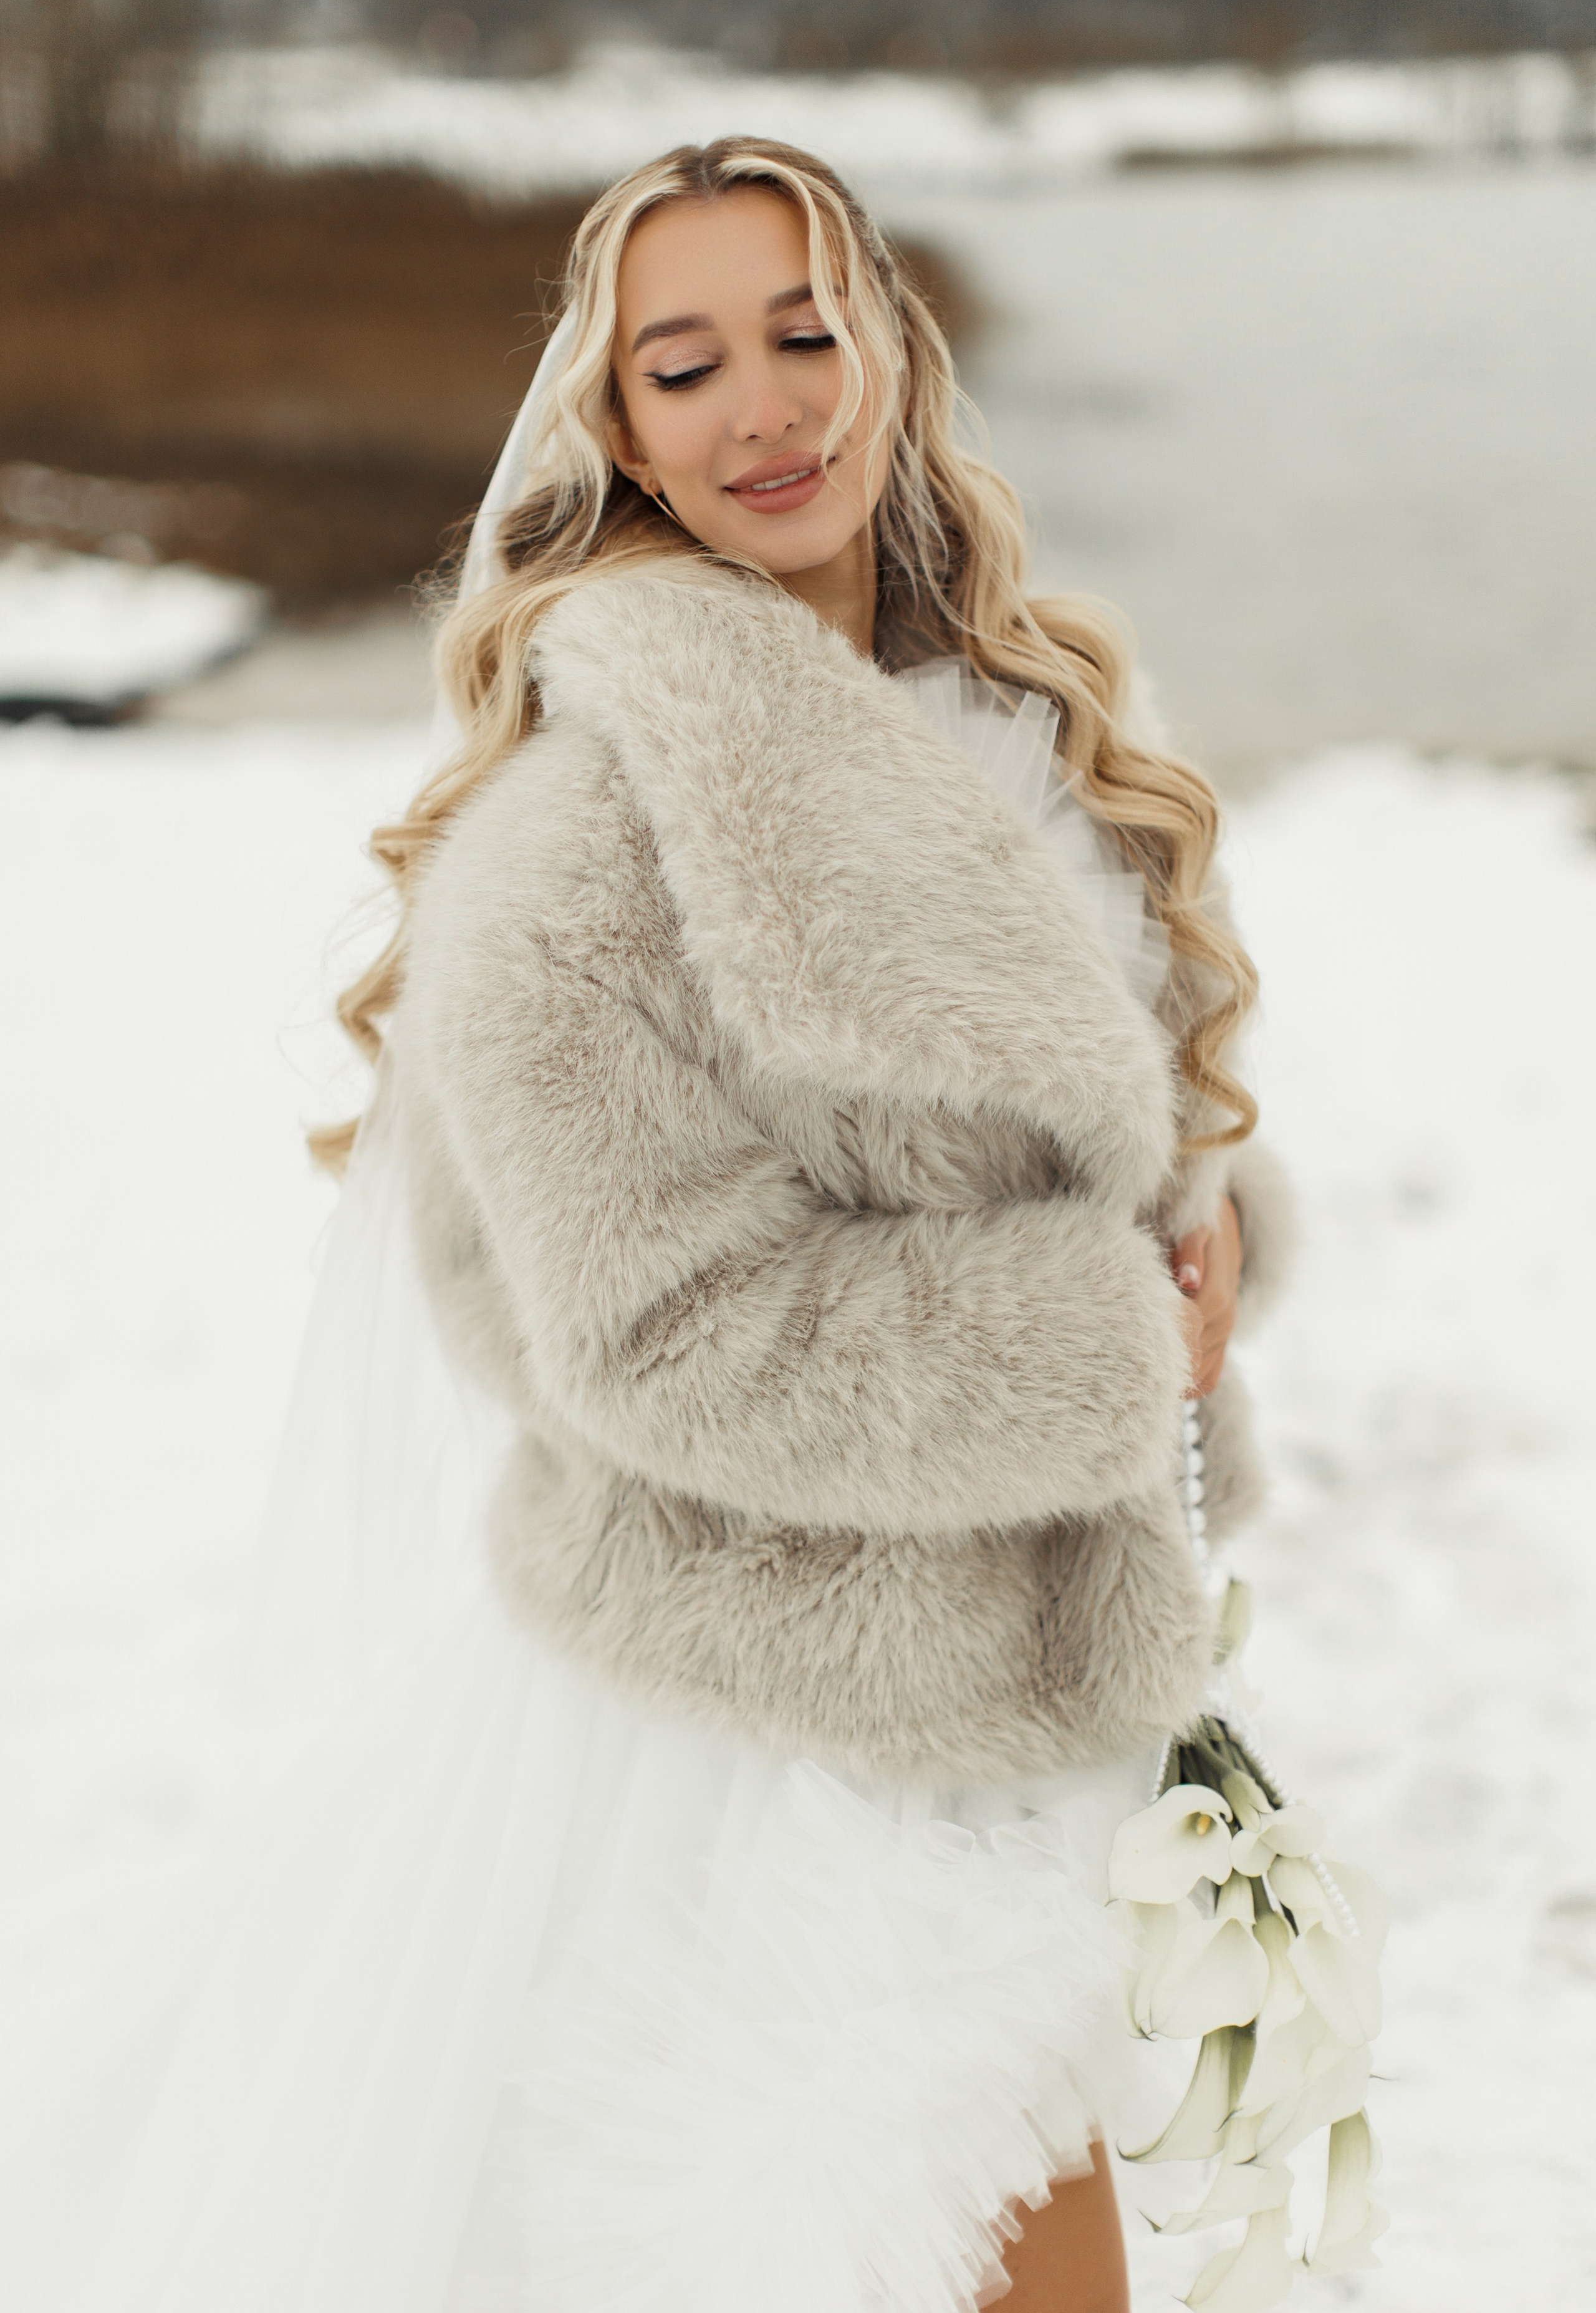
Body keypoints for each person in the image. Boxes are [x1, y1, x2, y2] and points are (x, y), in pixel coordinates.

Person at [0, 137, 1318, 2313]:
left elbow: (1109, 1137)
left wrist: (1202, 1252)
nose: (766, 407)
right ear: (614, 431)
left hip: (1028, 1684)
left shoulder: (1044, 721)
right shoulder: (578, 835)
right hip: (761, 1727)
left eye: (808, 332)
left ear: (894, 347)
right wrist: (1101, 1342)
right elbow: (662, 1330)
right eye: (685, 365)